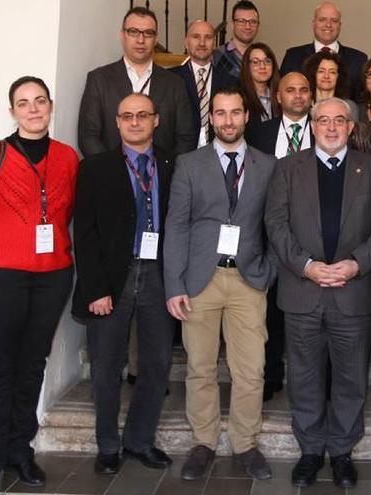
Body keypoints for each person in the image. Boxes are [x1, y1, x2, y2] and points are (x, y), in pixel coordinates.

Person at [0, 76, 78, 495]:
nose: (33, 109)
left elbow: (67, 212)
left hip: (51, 276)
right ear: (13, 112)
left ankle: (19, 451)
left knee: (31, 365)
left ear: (50, 105)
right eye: (24, 103)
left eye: (40, 101)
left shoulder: (66, 158)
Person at [264, 97, 371, 489]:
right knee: (303, 375)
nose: (332, 127)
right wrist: (306, 265)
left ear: (352, 127)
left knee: (351, 377)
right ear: (312, 126)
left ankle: (341, 451)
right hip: (302, 289)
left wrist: (356, 263)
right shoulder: (287, 169)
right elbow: (276, 223)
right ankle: (309, 450)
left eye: (340, 120)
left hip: (353, 291)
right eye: (324, 120)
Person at [164, 87, 278, 481]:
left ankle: (245, 443)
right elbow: (176, 225)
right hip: (199, 280)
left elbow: (276, 224)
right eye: (220, 113)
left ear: (247, 116)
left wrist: (270, 269)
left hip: (249, 279)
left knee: (251, 370)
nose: (228, 120)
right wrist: (173, 284)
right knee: (200, 367)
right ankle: (204, 442)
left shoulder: (268, 166)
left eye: (235, 113)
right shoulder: (189, 164)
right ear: (210, 118)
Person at [72, 92, 176, 476]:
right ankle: (108, 446)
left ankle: (139, 440)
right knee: (105, 367)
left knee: (157, 363)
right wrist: (95, 287)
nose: (135, 122)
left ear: (156, 120)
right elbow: (84, 232)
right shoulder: (94, 168)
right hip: (112, 279)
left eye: (143, 115)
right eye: (127, 116)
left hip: (159, 276)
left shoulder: (171, 165)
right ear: (116, 122)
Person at [245, 71, 314, 403]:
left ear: (311, 96)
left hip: (313, 238)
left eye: (303, 90)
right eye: (290, 90)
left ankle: (311, 381)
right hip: (268, 234)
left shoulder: (328, 130)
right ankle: (271, 374)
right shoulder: (258, 132)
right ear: (278, 97)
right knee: (269, 311)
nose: (297, 96)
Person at [77, 6, 195, 157]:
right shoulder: (99, 79)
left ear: (156, 39)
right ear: (122, 35)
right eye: (133, 32)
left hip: (162, 176)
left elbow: (186, 137)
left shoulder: (174, 83)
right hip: (111, 176)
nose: (141, 40)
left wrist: (168, 172)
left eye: (148, 33)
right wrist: (111, 170)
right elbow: (88, 136)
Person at [280, 1, 367, 101]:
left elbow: (362, 100)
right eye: (322, 20)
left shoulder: (359, 60)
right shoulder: (292, 56)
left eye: (334, 20)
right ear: (313, 24)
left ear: (340, 25)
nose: (328, 25)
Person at [170, 20, 227, 148]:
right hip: (180, 155)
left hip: (217, 155)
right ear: (186, 42)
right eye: (196, 37)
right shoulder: (170, 79)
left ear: (214, 43)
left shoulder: (229, 81)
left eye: (208, 37)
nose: (202, 43)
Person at [212, 0, 260, 87]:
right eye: (242, 21)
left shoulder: (263, 57)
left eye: (253, 22)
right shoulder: (216, 56)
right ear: (232, 24)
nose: (248, 26)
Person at [239, 42, 281, 139]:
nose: (262, 66)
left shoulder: (280, 96)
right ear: (247, 66)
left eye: (267, 61)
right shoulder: (239, 97)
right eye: (255, 62)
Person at [303, 51, 359, 121]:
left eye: (332, 72)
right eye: (321, 71)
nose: (326, 76)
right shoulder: (303, 105)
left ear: (339, 76)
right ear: (313, 74)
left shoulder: (349, 107)